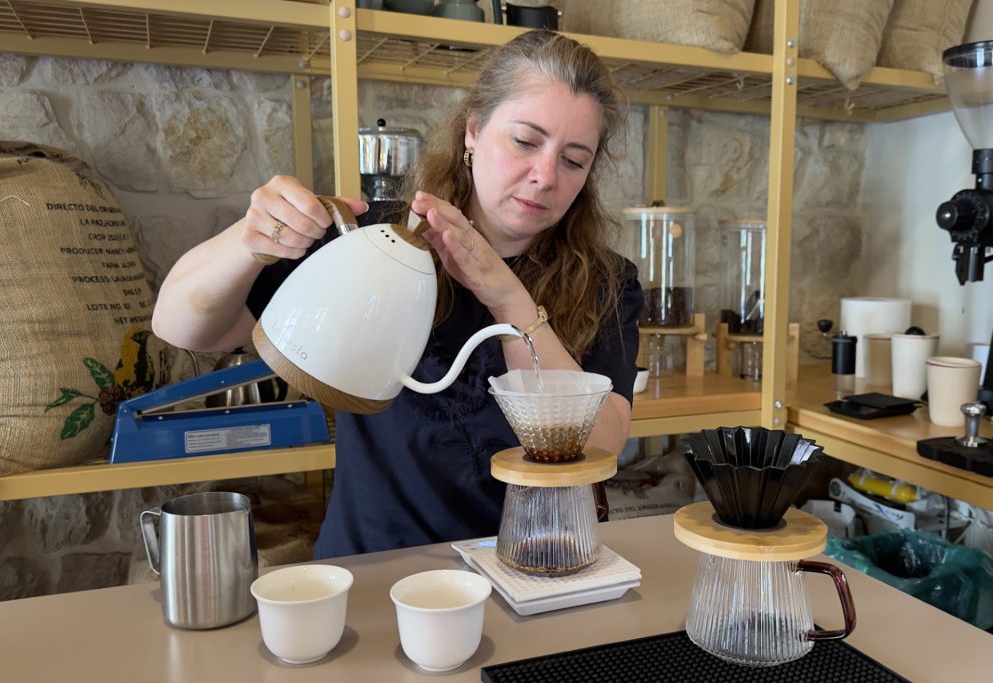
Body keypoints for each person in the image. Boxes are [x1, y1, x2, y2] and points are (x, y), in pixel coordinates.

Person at [152, 29, 642, 559]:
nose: (545, 176)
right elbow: (182, 326)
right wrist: (249, 238)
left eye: (573, 160)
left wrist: (508, 299)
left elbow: (602, 443)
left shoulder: (606, 282)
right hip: (374, 569)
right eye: (525, 142)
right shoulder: (377, 241)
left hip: (531, 568)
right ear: (473, 131)